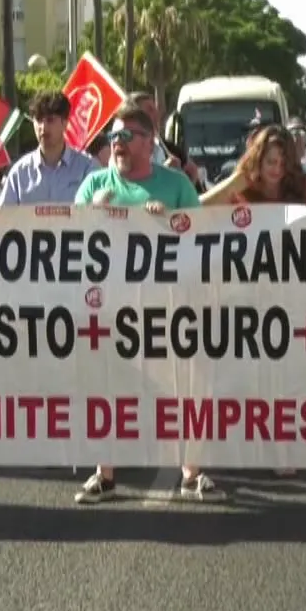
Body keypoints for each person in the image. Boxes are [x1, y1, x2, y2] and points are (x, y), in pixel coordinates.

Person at [71, 102, 212, 503]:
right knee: (108, 388)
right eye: (114, 136)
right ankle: (105, 474)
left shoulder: (176, 186)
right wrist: (93, 215)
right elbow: (69, 241)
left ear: (149, 143)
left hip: (168, 305)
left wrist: (170, 221)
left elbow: (203, 239)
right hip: (110, 307)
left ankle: (191, 472)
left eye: (127, 136)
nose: (118, 144)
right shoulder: (94, 186)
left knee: (183, 386)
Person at [0, 91, 95, 206]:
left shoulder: (87, 168)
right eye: (39, 120)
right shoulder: (19, 173)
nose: (43, 127)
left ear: (65, 123)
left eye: (50, 120)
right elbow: (4, 218)